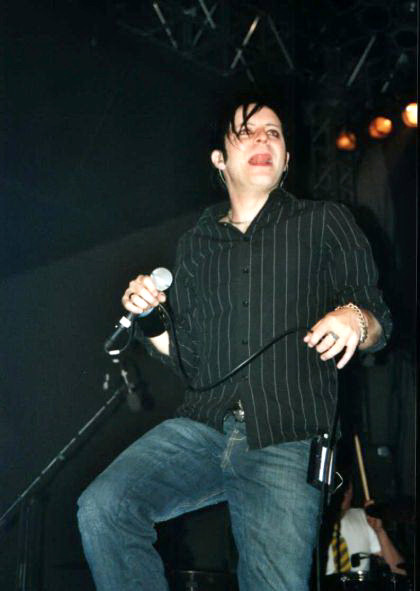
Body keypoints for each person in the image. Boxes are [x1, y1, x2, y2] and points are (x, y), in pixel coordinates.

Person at [77, 95, 392, 591]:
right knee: (104, 507)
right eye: (246, 131)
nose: (263, 137)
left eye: (274, 132)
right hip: (202, 428)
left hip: (286, 434)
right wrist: (153, 319)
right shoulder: (196, 244)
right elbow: (192, 365)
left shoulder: (326, 221)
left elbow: (378, 321)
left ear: (286, 160)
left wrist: (355, 318)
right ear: (220, 160)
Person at [325, 479, 406, 576]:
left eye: (347, 487)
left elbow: (399, 571)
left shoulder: (364, 518)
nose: (344, 493)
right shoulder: (312, 522)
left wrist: (379, 531)